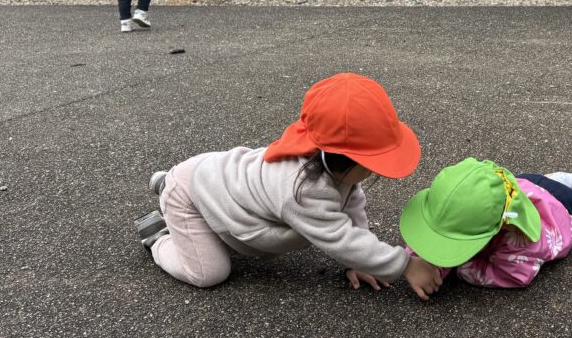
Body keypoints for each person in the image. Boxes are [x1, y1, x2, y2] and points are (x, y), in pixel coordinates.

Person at [135, 73, 443, 300]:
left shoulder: (330, 163)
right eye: (371, 163)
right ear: (339, 158)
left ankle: (166, 184)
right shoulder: (301, 190)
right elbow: (339, 236)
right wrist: (404, 265)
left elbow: (352, 209)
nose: (375, 171)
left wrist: (360, 260)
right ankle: (160, 235)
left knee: (221, 225)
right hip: (192, 194)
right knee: (209, 274)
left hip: (215, 176)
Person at [401, 158, 572, 290]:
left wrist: (455, 265)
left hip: (560, 208)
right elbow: (433, 231)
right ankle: (555, 182)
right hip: (522, 185)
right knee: (543, 186)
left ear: (500, 228)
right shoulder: (484, 201)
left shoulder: (521, 241)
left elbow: (515, 276)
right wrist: (418, 260)